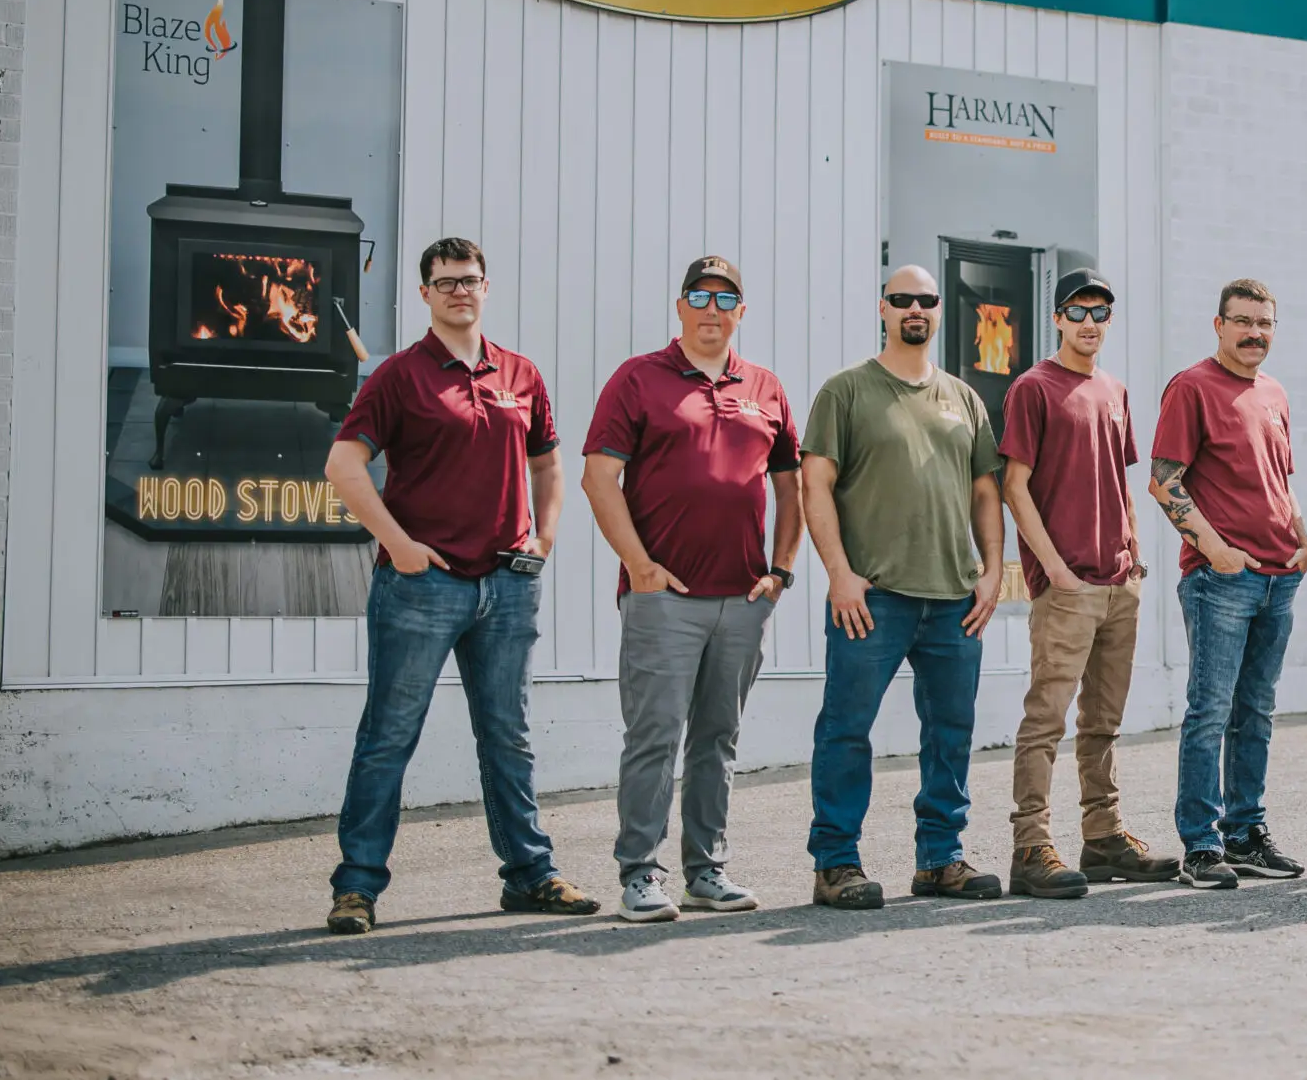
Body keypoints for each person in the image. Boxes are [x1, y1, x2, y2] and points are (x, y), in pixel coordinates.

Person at [320, 237, 600, 935]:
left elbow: (550, 465)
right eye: (444, 282)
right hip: (422, 587)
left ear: (485, 286)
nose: (458, 291)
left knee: (509, 736)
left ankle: (531, 874)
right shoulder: (398, 377)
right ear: (424, 294)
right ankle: (357, 887)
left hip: (506, 584)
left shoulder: (521, 373)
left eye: (469, 280)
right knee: (388, 736)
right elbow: (343, 466)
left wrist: (543, 538)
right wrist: (399, 545)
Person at [583, 255, 804, 921]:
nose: (712, 308)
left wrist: (781, 569)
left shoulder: (764, 387)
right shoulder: (639, 379)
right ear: (679, 306)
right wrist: (640, 566)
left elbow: (792, 485)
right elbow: (599, 477)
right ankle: (639, 873)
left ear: (742, 310)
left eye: (726, 297)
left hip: (742, 600)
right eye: (699, 296)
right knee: (653, 735)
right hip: (664, 599)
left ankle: (706, 870)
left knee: (718, 736)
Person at [800, 266, 1006, 910]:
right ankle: (835, 863)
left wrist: (994, 570)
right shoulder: (847, 391)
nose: (914, 308)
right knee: (846, 729)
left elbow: (984, 491)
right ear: (883, 308)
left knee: (951, 731)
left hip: (953, 600)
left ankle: (940, 859)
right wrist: (839, 574)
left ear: (939, 310)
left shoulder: (964, 397)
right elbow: (815, 484)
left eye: (926, 300)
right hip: (874, 599)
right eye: (901, 299)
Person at [1001, 269, 1182, 899]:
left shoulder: (1115, 389)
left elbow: (1119, 479)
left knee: (1103, 721)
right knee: (1045, 719)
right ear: (1057, 318)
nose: (1089, 323)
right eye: (1078, 311)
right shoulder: (1033, 387)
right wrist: (1052, 568)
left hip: (1118, 582)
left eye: (1101, 313)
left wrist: (1131, 556)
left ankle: (1103, 838)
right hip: (1067, 584)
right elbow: (1013, 486)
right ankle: (1031, 845)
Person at [1150, 277, 1307, 890]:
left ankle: (1245, 833)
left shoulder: (1273, 391)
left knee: (1258, 712)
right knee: (1210, 711)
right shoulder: (1192, 387)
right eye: (1243, 321)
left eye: (1265, 323)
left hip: (1280, 579)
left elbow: (1280, 477)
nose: (1255, 333)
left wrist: (1303, 536)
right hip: (1223, 582)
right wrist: (1216, 550)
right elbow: (1165, 481)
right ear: (1218, 324)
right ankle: (1200, 844)